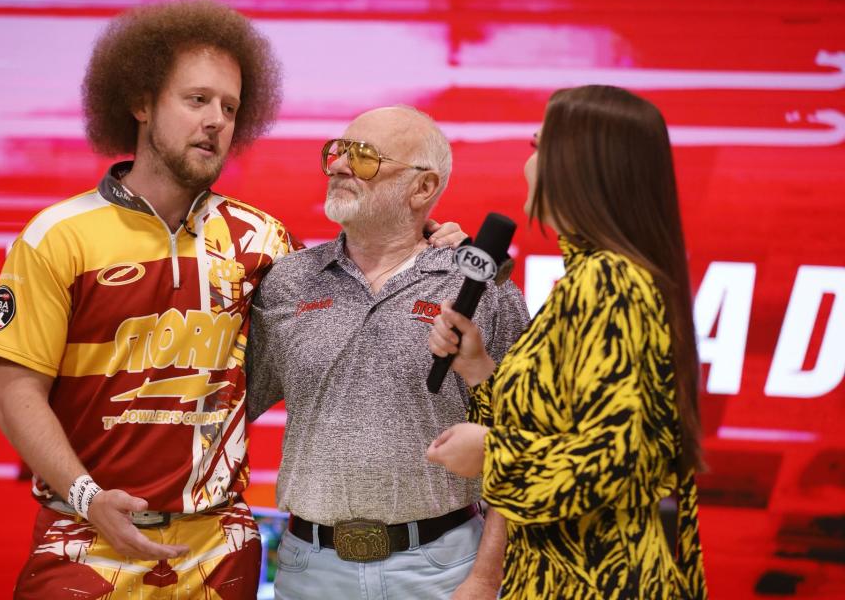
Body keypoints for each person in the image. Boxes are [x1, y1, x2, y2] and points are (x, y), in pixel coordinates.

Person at [0, 0, 295, 598]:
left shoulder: (264, 239)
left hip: (220, 547)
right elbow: (17, 396)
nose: (217, 121)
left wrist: (427, 243)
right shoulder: (58, 235)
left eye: (230, 107)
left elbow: (351, 299)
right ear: (141, 103)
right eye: (197, 100)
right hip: (83, 537)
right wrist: (89, 499)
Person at [426, 85, 708, 599]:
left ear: (580, 165)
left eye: (537, 147)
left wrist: (493, 454)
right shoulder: (590, 278)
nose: (526, 166)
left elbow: (619, 460)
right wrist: (479, 371)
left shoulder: (610, 282)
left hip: (596, 581)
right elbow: (562, 425)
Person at [246, 105, 530, 599]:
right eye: (336, 151)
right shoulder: (290, 280)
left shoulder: (481, 287)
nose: (338, 165)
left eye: (365, 157)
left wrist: (487, 576)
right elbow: (225, 408)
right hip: (308, 569)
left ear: (423, 188)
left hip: (443, 569)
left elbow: (523, 438)